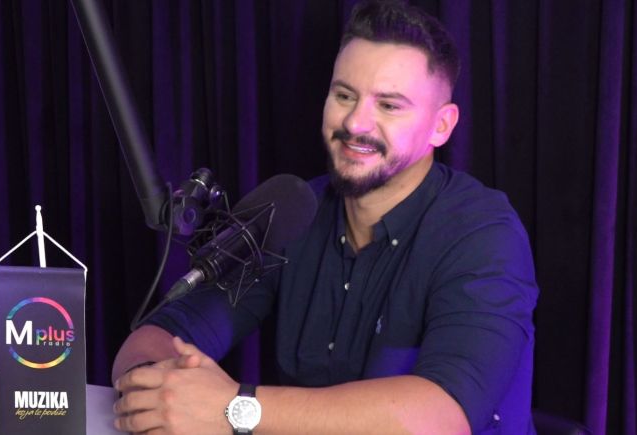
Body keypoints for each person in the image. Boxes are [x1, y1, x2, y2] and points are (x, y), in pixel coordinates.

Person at [111, 0, 538, 433]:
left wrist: (233, 408)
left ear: (441, 126)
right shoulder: (294, 210)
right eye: (344, 95)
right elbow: (163, 332)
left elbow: (440, 421)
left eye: (389, 106)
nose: (356, 123)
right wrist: (160, 390)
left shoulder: (484, 235)